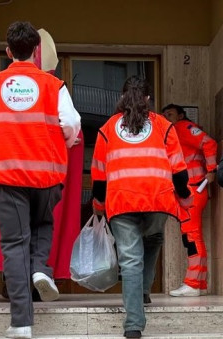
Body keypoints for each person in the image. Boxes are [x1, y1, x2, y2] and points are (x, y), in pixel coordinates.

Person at [0, 21, 81, 339]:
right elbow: (72, 122)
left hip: (7, 175)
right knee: (43, 224)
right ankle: (41, 269)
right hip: (47, 175)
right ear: (34, 51)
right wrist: (66, 143)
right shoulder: (53, 85)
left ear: (8, 52)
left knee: (14, 245)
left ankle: (21, 323)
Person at [91, 76, 192, 339]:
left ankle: (134, 325)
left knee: (130, 259)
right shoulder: (163, 126)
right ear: (148, 99)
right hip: (158, 199)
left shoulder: (108, 128)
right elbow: (179, 169)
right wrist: (185, 195)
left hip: (121, 200)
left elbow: (99, 174)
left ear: (123, 96)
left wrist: (98, 205)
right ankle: (144, 290)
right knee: (154, 236)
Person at [162, 103, 218, 297]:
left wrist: (211, 171)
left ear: (181, 115)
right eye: (164, 115)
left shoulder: (181, 128)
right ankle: (198, 284)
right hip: (192, 190)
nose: (167, 117)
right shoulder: (179, 129)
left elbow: (209, 143)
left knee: (192, 237)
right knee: (192, 237)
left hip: (193, 191)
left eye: (170, 114)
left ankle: (193, 284)